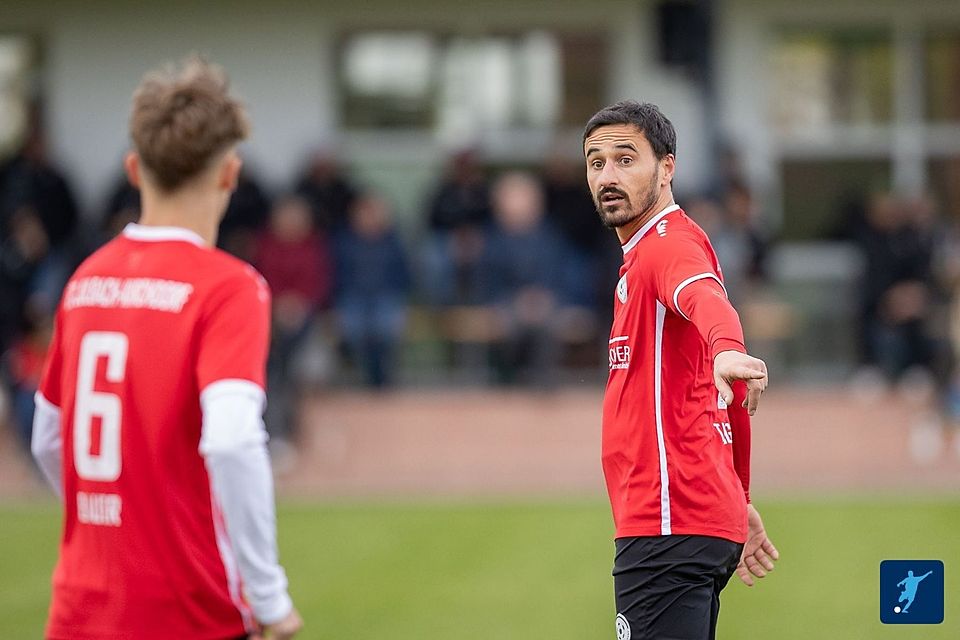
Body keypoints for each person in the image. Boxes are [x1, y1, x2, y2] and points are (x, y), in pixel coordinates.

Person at [30, 57, 302, 640]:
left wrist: (114, 524)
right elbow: (231, 439)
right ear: (230, 173)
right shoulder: (230, 287)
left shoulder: (85, 281)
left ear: (133, 169)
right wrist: (269, 595)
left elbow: (48, 436)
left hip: (79, 610)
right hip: (188, 612)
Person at [582, 100, 778, 640]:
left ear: (667, 168)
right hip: (690, 515)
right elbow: (711, 397)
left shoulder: (665, 248)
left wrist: (728, 348)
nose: (608, 176)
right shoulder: (650, 252)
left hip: (665, 526)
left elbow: (706, 300)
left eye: (626, 159)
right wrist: (736, 501)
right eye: (596, 163)